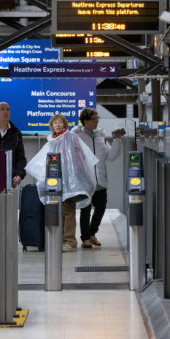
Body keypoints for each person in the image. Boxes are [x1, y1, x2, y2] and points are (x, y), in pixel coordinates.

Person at [26, 113, 98, 253]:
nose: (58, 125)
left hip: (71, 179)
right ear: (51, 126)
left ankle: (70, 241)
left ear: (65, 125)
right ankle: (59, 240)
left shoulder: (71, 137)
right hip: (57, 179)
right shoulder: (52, 141)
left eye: (60, 122)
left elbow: (80, 156)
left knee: (68, 210)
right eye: (55, 123)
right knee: (57, 210)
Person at [71, 108, 125, 249]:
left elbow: (111, 156)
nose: (97, 121)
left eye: (97, 118)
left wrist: (117, 141)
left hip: (100, 181)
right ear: (86, 121)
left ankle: (92, 233)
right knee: (85, 209)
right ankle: (85, 239)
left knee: (100, 207)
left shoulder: (100, 136)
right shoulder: (77, 136)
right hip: (85, 181)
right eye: (94, 119)